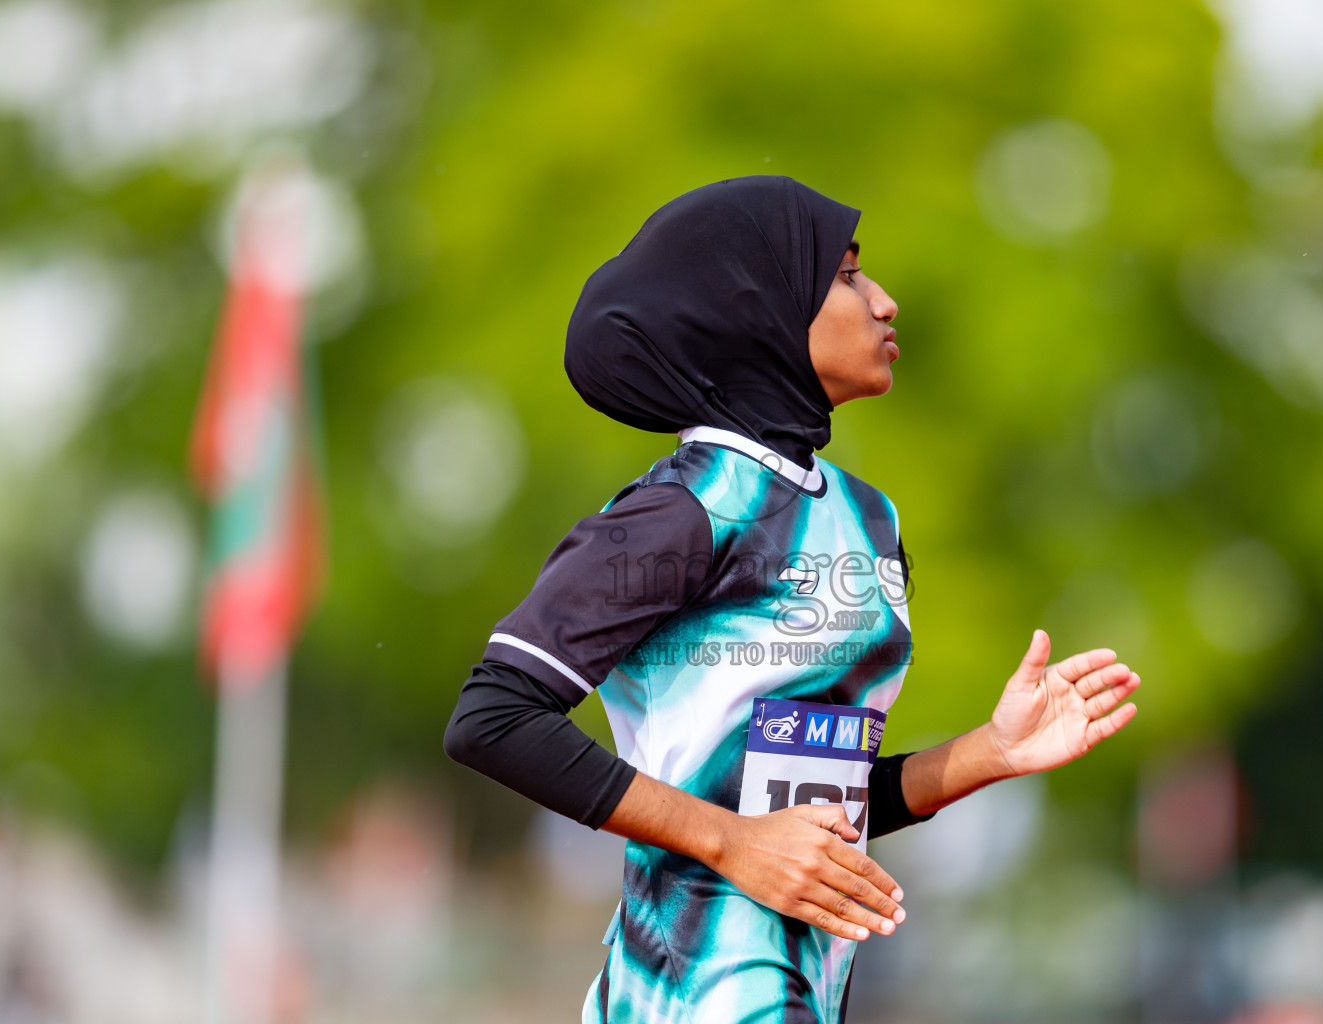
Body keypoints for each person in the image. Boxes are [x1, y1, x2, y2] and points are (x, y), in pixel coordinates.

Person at [442, 176, 1141, 1024]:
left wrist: (989, 752)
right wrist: (729, 843)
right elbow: (493, 718)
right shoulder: (685, 510)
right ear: (758, 312)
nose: (884, 302)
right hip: (688, 994)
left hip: (808, 991)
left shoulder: (865, 516)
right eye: (846, 276)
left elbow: (807, 811)